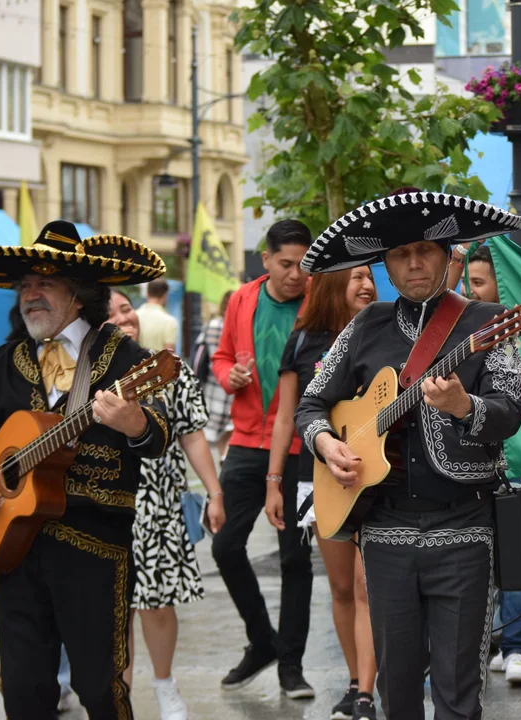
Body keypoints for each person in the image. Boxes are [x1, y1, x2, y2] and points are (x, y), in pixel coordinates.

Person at [0, 221, 171, 720]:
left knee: (101, 691)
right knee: (22, 691)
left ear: (78, 294)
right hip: (16, 547)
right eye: (24, 286)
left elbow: (159, 433)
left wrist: (136, 421)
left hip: (95, 548)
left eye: (44, 283)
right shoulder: (4, 363)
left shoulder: (124, 357)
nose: (30, 295)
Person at [296, 188, 521, 720]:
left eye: (426, 249)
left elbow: (510, 410)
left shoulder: (489, 321)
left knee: (457, 690)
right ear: (385, 263)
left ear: (450, 256)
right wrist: (327, 444)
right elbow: (312, 405)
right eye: (401, 254)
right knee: (396, 690)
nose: (415, 262)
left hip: (464, 529)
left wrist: (465, 405)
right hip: (383, 533)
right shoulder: (364, 326)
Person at [265, 267, 379, 719]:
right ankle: (354, 682)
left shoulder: (387, 330)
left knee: (366, 586)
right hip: (315, 476)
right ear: (333, 284)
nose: (367, 285)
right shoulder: (303, 341)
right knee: (339, 587)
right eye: (356, 277)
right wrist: (274, 483)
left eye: (370, 276)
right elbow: (285, 416)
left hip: (376, 475)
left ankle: (368, 692)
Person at [107, 290, 226, 720]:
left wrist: (214, 492)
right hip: (104, 505)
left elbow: (193, 433)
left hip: (158, 499)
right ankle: (116, 698)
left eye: (127, 310)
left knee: (157, 602)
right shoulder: (82, 375)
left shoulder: (168, 368)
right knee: (111, 609)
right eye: (112, 314)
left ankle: (164, 685)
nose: (124, 319)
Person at [210, 219, 315, 697]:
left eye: (304, 264)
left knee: (296, 557)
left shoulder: (319, 301)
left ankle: (290, 666)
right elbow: (221, 356)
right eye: (287, 264)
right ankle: (262, 641)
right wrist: (230, 373)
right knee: (226, 545)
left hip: (302, 446)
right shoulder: (241, 299)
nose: (296, 274)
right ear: (267, 259)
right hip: (249, 441)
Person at [454, 244, 521, 686]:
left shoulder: (505, 326)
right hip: (464, 469)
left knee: (516, 546)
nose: (471, 290)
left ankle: (518, 646)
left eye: (480, 282)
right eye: (467, 281)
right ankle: (476, 644)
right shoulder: (449, 328)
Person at [197, 289, 235, 458]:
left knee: (219, 432)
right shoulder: (239, 325)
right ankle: (224, 457)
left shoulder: (212, 326)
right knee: (231, 429)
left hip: (213, 386)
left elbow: (200, 355)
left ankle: (222, 457)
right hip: (235, 384)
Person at [138, 277, 179, 352]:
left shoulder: (135, 315)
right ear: (165, 295)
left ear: (147, 293)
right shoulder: (170, 321)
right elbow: (169, 355)